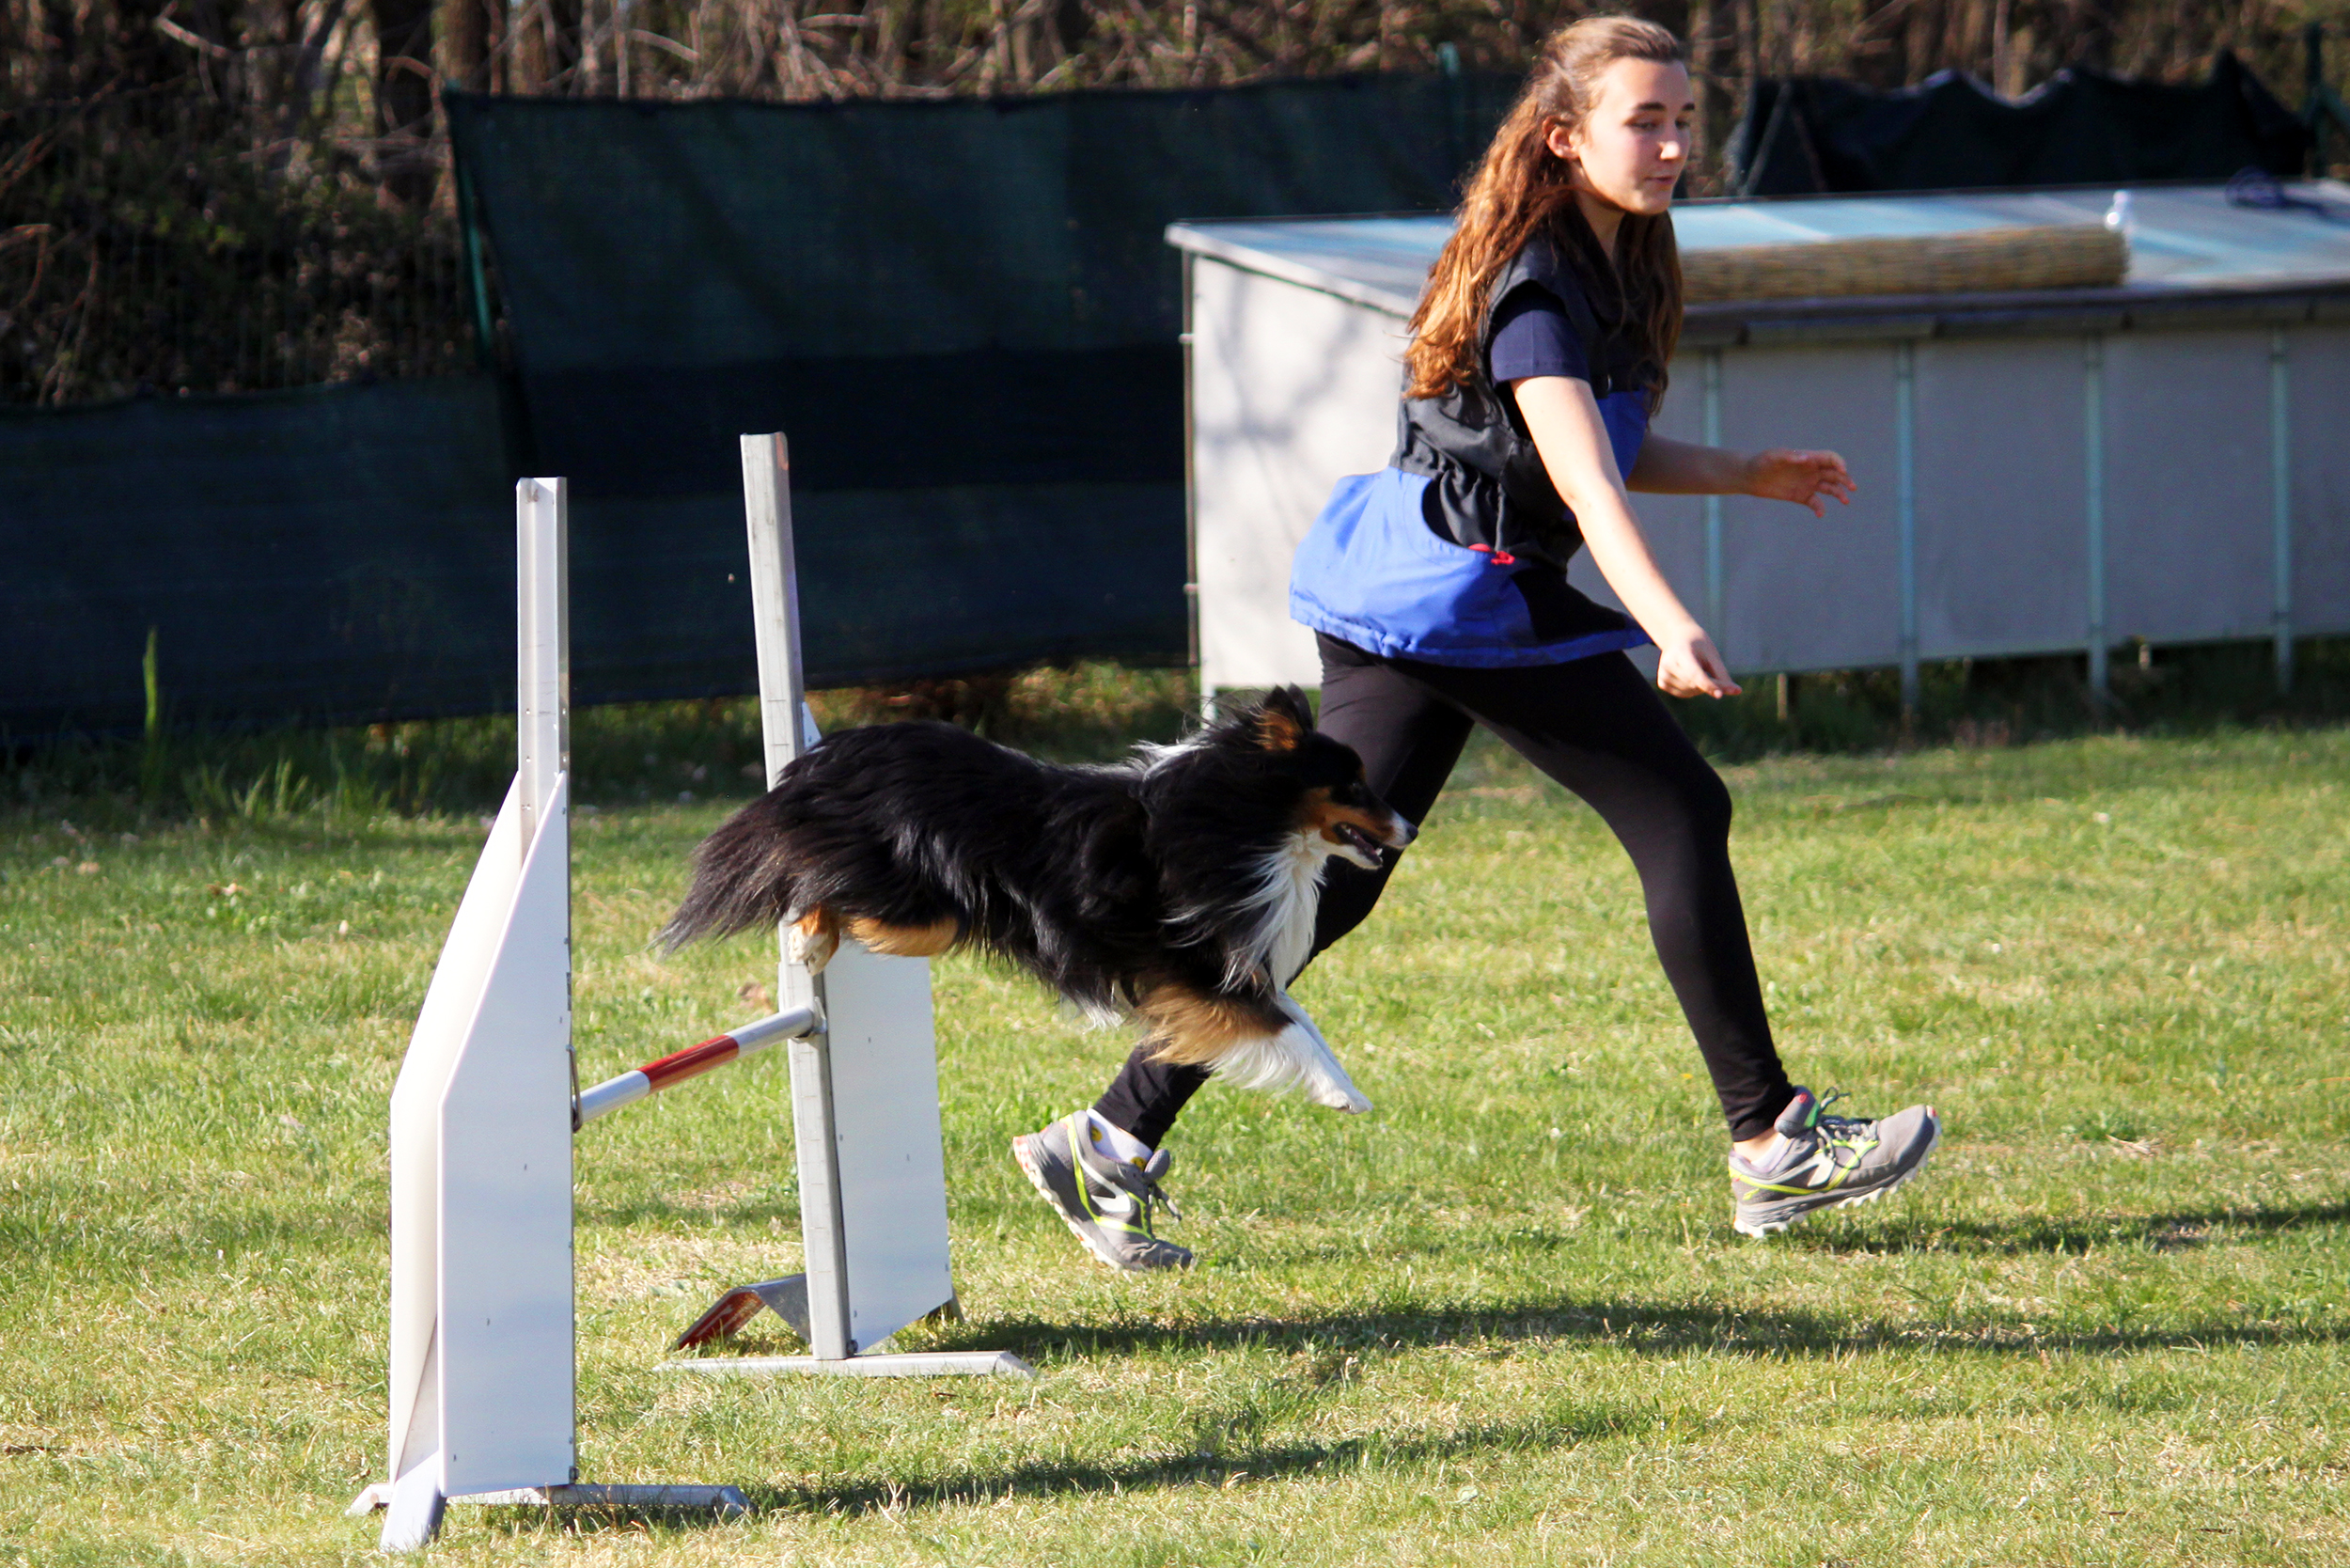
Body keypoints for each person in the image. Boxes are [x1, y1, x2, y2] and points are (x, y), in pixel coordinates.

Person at [1013, 15, 1937, 1270]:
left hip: (1413, 599)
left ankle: (1106, 1141)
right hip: (1464, 601)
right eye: (1642, 121)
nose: (1671, 145)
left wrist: (1745, 473)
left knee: (1321, 895)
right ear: (1564, 137)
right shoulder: (1542, 281)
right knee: (1680, 810)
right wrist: (1666, 620)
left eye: (1683, 120)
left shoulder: (1624, 260)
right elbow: (1583, 484)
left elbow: (1600, 449)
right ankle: (1772, 1142)